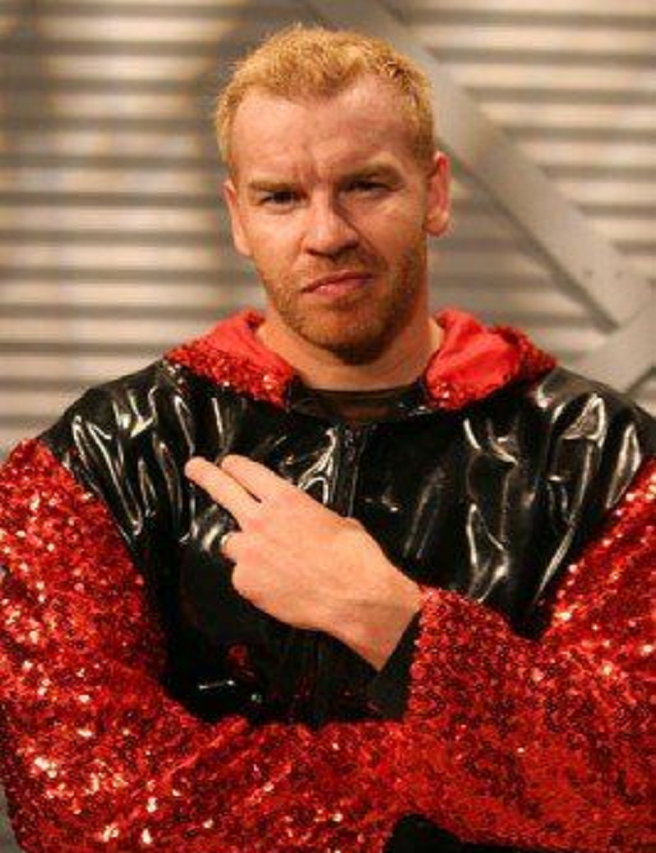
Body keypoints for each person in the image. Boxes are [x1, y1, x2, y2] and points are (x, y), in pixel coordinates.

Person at [0, 25, 653, 853]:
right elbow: (87, 808)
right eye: (281, 197)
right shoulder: (99, 459)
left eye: (365, 185)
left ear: (435, 193)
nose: (327, 232)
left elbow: (636, 783)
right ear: (238, 217)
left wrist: (392, 620)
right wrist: (463, 794)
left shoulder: (605, 459)